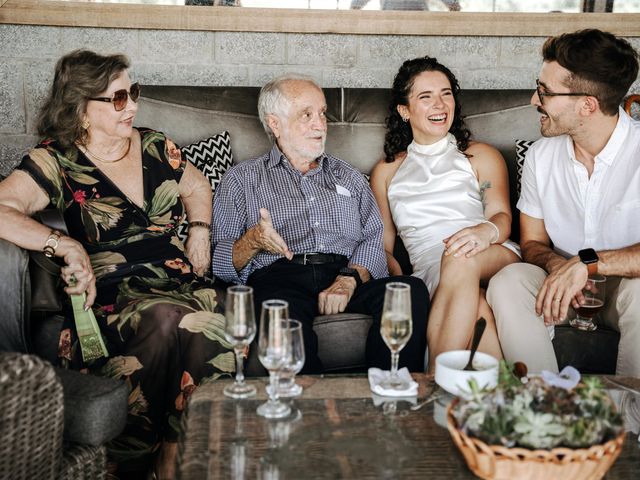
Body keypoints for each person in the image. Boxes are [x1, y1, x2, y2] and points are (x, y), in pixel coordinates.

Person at [0, 50, 234, 479]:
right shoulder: (57, 160)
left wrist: (199, 227)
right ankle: (133, 462)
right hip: (114, 290)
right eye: (119, 98)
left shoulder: (155, 145)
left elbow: (198, 185)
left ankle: (179, 452)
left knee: (212, 309)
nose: (134, 106)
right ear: (81, 109)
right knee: (168, 319)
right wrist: (65, 244)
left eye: (135, 93)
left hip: (178, 279)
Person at [211, 75, 429, 374]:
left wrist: (348, 279)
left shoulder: (348, 177)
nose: (320, 124)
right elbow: (219, 264)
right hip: (279, 276)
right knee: (279, 313)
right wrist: (253, 240)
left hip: (342, 271)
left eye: (322, 113)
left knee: (409, 290)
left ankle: (389, 397)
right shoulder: (241, 180)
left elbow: (373, 238)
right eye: (306, 115)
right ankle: (307, 410)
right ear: (275, 124)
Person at [486, 29, 640, 376]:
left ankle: (632, 422)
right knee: (509, 282)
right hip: (562, 286)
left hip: (626, 290)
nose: (533, 100)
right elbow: (532, 243)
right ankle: (542, 407)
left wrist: (587, 265)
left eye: (545, 92)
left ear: (587, 104)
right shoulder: (541, 157)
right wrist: (561, 268)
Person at [370, 57, 520, 372]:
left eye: (446, 93)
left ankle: (435, 382)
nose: (440, 104)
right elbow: (383, 244)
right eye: (425, 97)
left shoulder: (480, 156)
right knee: (478, 308)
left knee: (459, 255)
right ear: (404, 110)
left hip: (490, 251)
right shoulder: (385, 172)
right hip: (428, 271)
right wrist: (398, 283)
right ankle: (500, 397)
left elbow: (502, 217)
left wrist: (484, 232)